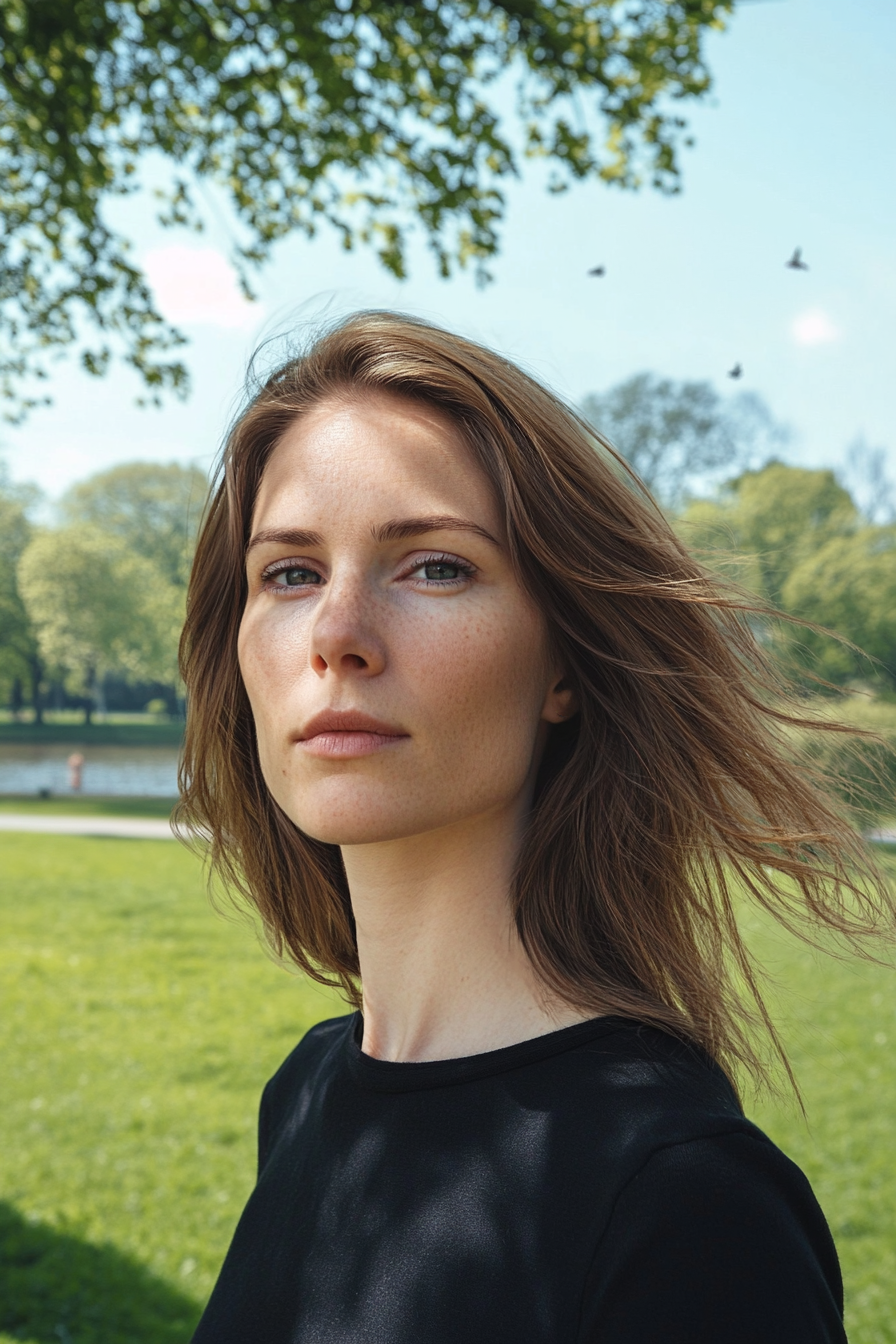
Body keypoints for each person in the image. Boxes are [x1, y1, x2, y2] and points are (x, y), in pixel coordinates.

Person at [178, 312, 892, 1343]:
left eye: (433, 567)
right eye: (289, 573)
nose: (336, 635)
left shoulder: (680, 1203)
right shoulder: (302, 1094)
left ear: (562, 663)